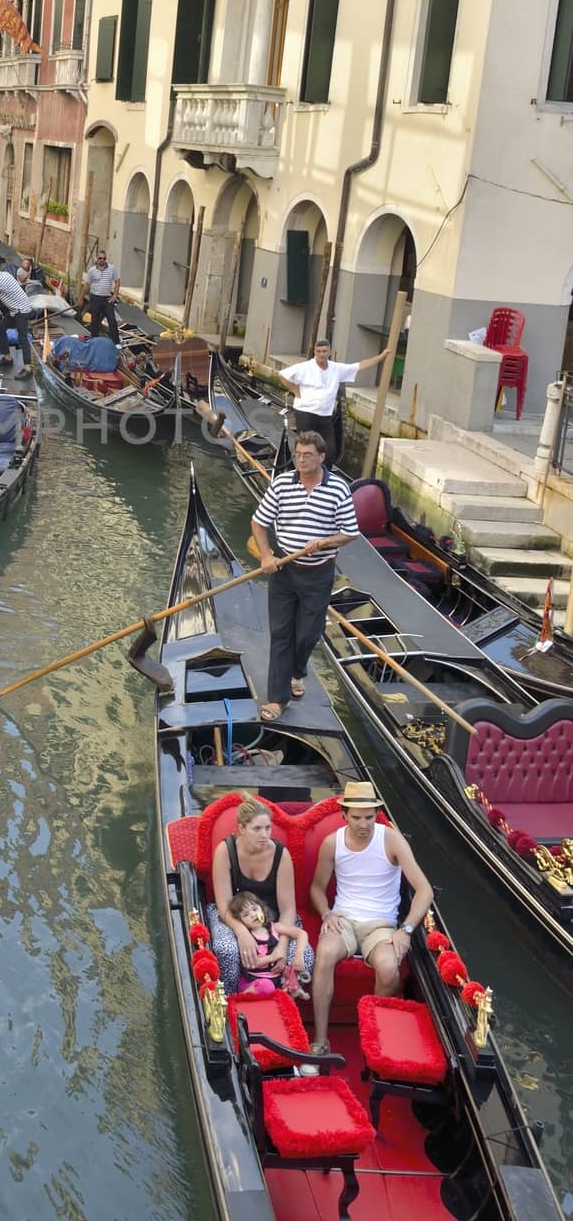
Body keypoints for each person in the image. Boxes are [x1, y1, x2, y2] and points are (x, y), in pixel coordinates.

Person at [305, 780, 433, 1069]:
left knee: (389, 969)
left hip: (381, 926)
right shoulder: (332, 843)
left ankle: (375, 1041)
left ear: (377, 814)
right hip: (345, 921)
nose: (363, 824)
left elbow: (424, 890)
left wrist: (407, 929)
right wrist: (327, 913)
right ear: (344, 815)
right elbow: (316, 887)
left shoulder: (392, 840)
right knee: (324, 955)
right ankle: (320, 1042)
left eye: (369, 817)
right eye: (357, 817)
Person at [250, 431, 359, 720]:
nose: (301, 460)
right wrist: (266, 555)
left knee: (307, 635)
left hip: (318, 574)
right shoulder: (283, 484)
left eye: (307, 455)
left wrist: (325, 542)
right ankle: (277, 698)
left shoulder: (338, 489)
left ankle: (297, 672)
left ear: (322, 457)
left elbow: (350, 532)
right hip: (284, 570)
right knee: (281, 634)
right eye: (297, 454)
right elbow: (259, 523)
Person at [206, 795, 315, 996]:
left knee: (304, 957)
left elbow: (288, 908)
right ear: (241, 829)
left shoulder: (280, 855)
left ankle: (281, 1003)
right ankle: (230, 1001)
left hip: (272, 919)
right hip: (232, 915)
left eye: (267, 828)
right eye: (257, 829)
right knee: (226, 949)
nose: (264, 835)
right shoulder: (225, 850)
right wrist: (241, 931)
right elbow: (223, 904)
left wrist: (281, 946)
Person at [279, 339, 390, 464]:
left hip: (325, 415)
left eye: (324, 351)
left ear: (329, 352)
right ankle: (302, 473)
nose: (321, 354)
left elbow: (360, 366)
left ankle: (324, 475)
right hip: (306, 413)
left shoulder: (337, 368)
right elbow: (283, 375)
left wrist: (381, 357)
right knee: (307, 447)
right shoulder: (305, 367)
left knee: (329, 450)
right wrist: (295, 390)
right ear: (315, 352)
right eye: (319, 351)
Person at [229, 891, 310, 999]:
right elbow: (249, 964)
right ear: (241, 921)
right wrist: (272, 957)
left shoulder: (275, 928)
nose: (253, 915)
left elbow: (302, 934)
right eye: (246, 915)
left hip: (276, 980)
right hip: (253, 981)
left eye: (254, 909)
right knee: (266, 986)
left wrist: (298, 956)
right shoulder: (247, 938)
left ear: (262, 908)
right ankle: (240, 999)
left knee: (290, 982)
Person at [82, 251, 121, 344]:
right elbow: (86, 285)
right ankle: (94, 341)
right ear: (97, 258)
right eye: (100, 258)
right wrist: (81, 297)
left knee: (112, 320)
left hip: (107, 298)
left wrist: (115, 295)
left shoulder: (112, 268)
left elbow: (117, 281)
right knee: (95, 320)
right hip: (95, 298)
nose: (102, 260)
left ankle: (116, 342)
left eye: (104, 258)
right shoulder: (91, 270)